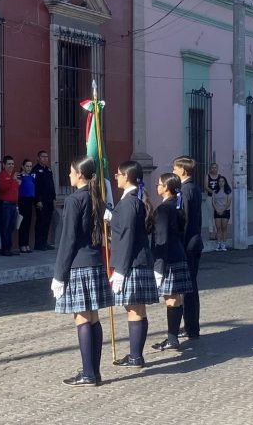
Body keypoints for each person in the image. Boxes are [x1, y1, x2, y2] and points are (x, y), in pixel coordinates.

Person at [51, 155, 112, 387]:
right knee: (93, 317)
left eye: (71, 171)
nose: (68, 175)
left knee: (82, 318)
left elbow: (68, 239)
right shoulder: (96, 196)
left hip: (79, 264)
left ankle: (88, 374)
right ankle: (94, 371)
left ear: (79, 174)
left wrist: (59, 274)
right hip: (95, 261)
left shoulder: (74, 199)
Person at [107, 161, 157, 368]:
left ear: (126, 177)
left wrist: (120, 270)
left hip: (132, 263)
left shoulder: (129, 202)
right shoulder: (132, 200)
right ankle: (136, 355)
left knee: (134, 310)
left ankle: (136, 356)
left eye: (118, 174)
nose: (116, 177)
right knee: (137, 309)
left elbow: (127, 236)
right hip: (136, 261)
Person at [150, 173, 192, 352]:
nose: (157, 186)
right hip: (178, 254)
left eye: (159, 184)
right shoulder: (176, 205)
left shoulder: (164, 209)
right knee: (176, 298)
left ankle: (172, 338)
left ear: (166, 187)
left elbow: (162, 238)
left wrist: (158, 267)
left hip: (169, 258)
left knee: (171, 299)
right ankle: (172, 337)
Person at [172, 156, 203, 340]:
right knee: (190, 286)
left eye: (175, 168)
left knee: (188, 288)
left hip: (187, 244)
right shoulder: (193, 188)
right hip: (194, 241)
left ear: (183, 171)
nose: (173, 171)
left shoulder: (184, 190)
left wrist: (178, 244)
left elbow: (184, 220)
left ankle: (191, 327)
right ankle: (191, 325)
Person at [0, 156, 21, 256]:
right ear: (4, 165)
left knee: (11, 227)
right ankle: (4, 249)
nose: (11, 166)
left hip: (13, 204)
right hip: (5, 204)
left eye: (12, 164)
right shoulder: (1, 175)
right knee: (5, 226)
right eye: (9, 164)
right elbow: (3, 188)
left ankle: (9, 248)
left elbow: (15, 191)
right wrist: (12, 179)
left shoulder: (14, 176)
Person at [33, 150, 56, 250]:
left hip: (49, 200)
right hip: (41, 200)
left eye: (46, 157)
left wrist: (54, 198)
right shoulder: (35, 170)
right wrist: (37, 200)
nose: (45, 158)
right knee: (40, 222)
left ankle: (44, 242)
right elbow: (35, 186)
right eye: (43, 157)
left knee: (47, 222)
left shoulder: (48, 170)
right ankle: (38, 244)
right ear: (38, 158)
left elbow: (52, 185)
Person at [17, 159, 36, 253]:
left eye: (30, 166)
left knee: (28, 223)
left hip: (30, 201)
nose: (29, 168)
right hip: (22, 201)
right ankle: (22, 245)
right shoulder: (19, 176)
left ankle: (26, 244)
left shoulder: (32, 176)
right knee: (22, 224)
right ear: (23, 166)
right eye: (27, 166)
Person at [211, 173, 232, 251]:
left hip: (225, 211)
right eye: (219, 181)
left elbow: (228, 203)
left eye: (222, 181)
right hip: (217, 212)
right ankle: (218, 244)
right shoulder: (214, 191)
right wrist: (217, 210)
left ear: (225, 182)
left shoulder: (228, 191)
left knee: (224, 228)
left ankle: (223, 244)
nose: (221, 183)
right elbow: (213, 202)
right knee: (218, 228)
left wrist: (222, 210)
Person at [205, 162, 223, 241]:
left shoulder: (220, 177)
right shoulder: (207, 176)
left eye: (215, 167)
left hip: (218, 199)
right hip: (210, 198)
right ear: (210, 169)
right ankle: (211, 233)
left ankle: (217, 233)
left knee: (218, 216)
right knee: (211, 216)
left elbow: (222, 186)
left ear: (217, 169)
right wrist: (213, 193)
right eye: (212, 167)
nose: (214, 169)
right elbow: (206, 187)